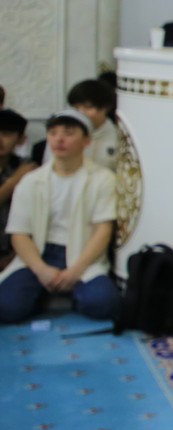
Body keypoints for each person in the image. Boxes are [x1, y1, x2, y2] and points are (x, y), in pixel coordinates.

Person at [0, 109, 120, 324]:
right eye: (53, 133)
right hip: (39, 254)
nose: (59, 139)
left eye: (68, 133)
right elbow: (19, 233)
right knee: (6, 307)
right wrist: (41, 270)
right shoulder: (31, 181)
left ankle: (58, 291)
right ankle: (46, 289)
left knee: (104, 304)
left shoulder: (103, 179)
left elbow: (103, 230)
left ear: (86, 141)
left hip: (81, 254)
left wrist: (75, 271)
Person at [40, 79, 121, 170]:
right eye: (76, 107)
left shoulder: (118, 137)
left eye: (88, 107)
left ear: (106, 107)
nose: (81, 112)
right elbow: (48, 166)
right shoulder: (60, 135)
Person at [0, 109, 35, 268]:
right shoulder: (21, 172)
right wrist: (15, 180)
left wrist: (17, 256)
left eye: (6, 134)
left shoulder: (27, 167)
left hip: (15, 253)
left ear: (21, 139)